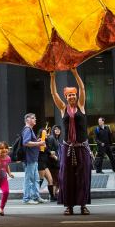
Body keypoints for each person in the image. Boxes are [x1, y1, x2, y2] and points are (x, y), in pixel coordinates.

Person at [50, 69, 91, 215]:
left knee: (83, 177)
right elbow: (54, 94)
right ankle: (69, 206)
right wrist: (53, 77)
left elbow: (83, 88)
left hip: (81, 148)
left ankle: (83, 205)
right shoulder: (63, 108)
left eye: (73, 94)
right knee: (67, 178)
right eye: (69, 95)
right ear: (66, 97)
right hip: (68, 148)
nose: (72, 96)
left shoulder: (81, 106)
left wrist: (75, 73)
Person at [21, 113, 46, 204]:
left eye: (35, 118)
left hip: (33, 158)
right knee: (29, 179)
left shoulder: (29, 129)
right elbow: (26, 142)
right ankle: (26, 198)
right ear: (27, 120)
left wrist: (37, 141)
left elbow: (30, 142)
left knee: (35, 179)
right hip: (30, 159)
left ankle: (36, 196)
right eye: (33, 118)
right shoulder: (27, 129)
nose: (35, 119)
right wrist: (39, 143)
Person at [37, 127, 55, 201]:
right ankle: (35, 195)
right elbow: (42, 150)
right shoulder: (39, 141)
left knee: (50, 180)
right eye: (44, 133)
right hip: (40, 162)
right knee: (40, 179)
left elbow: (47, 151)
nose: (46, 134)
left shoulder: (46, 141)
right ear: (41, 134)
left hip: (45, 163)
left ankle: (52, 197)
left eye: (46, 132)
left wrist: (50, 152)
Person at [47, 125, 61, 201]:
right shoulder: (51, 138)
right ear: (53, 130)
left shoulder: (56, 138)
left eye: (59, 129)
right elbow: (49, 150)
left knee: (57, 179)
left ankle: (54, 194)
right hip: (52, 162)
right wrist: (54, 157)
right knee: (55, 179)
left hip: (56, 162)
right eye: (56, 129)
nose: (58, 130)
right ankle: (52, 196)